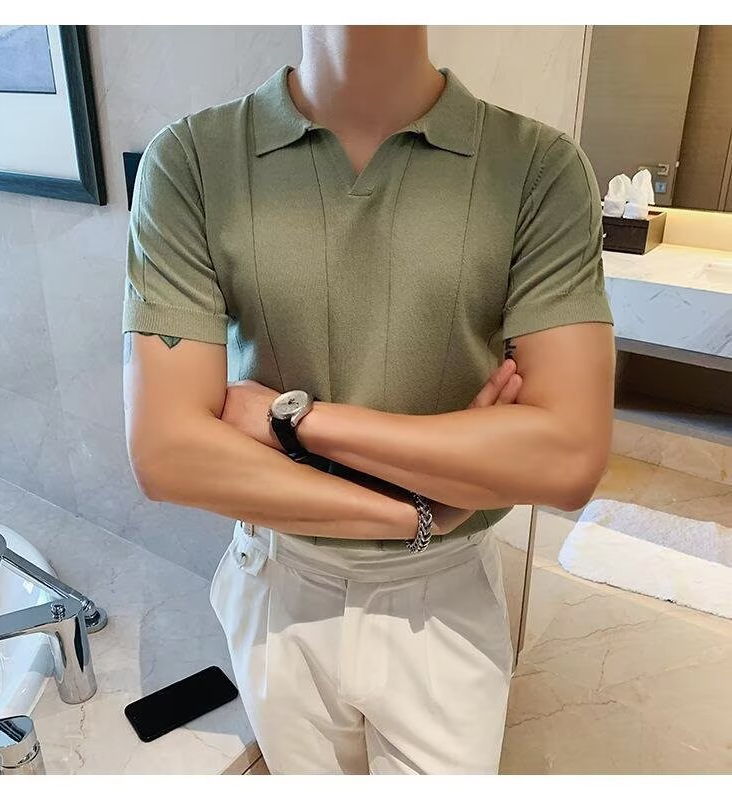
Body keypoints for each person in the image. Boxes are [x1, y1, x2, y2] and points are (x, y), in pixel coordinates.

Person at [122, 25, 615, 774]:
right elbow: (167, 454)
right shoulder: (192, 159)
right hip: (278, 580)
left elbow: (568, 459)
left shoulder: (537, 168)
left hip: (444, 595)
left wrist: (294, 421)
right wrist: (420, 512)